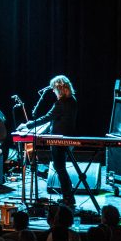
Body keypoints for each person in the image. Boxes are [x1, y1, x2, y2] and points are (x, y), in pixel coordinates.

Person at [20, 75, 78, 207]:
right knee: (61, 168)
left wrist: (27, 125)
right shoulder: (72, 100)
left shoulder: (60, 103)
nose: (52, 91)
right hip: (68, 139)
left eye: (54, 88)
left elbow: (47, 117)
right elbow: (56, 119)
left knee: (60, 168)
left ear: (59, 89)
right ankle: (68, 197)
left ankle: (68, 199)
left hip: (58, 140)